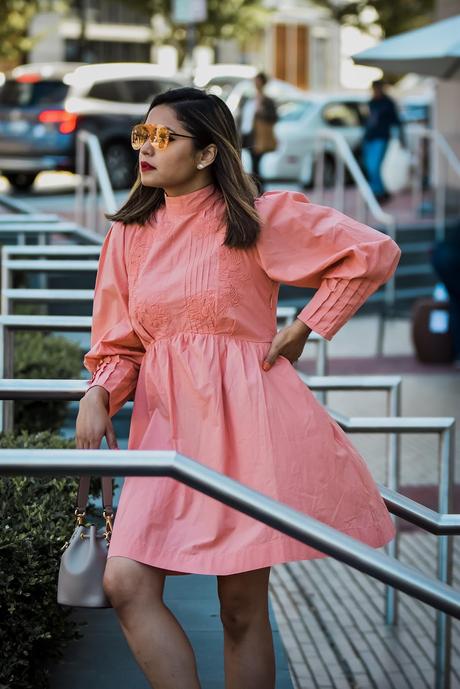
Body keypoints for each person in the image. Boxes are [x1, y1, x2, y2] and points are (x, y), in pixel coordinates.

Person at [76, 87, 400, 689]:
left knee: (241, 611)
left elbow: (372, 251)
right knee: (126, 582)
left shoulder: (255, 215)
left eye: (163, 137)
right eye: (141, 135)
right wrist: (100, 392)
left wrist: (307, 326)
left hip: (247, 430)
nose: (145, 149)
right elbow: (121, 344)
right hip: (165, 433)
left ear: (205, 154)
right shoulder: (129, 235)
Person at [363, 79, 404, 202]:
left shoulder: (388, 103)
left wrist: (401, 139)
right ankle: (377, 191)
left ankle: (379, 192)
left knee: (375, 167)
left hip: (381, 137)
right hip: (369, 137)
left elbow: (397, 122)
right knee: (369, 167)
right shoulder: (371, 102)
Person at [240, 71, 278, 185]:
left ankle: (258, 186)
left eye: (258, 81)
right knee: (252, 162)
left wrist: (262, 112)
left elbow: (273, 117)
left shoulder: (267, 101)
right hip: (247, 134)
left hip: (259, 136)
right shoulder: (249, 99)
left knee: (256, 162)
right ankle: (256, 185)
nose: (256, 83)